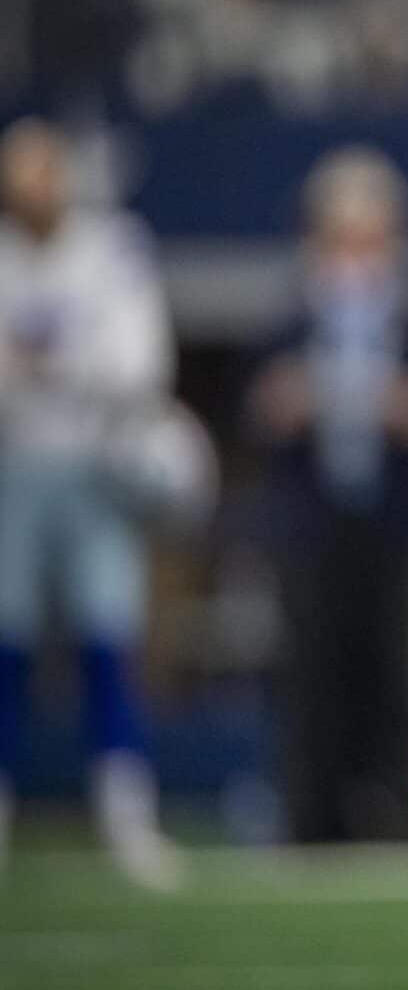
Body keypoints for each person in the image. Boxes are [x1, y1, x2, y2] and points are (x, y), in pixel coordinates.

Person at [246, 147, 408, 844]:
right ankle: (312, 820)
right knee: (311, 672)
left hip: (390, 520)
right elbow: (260, 406)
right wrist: (291, 401)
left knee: (393, 670)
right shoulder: (291, 315)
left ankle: (394, 813)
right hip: (313, 521)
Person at [0, 118, 182, 888]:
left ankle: (125, 814)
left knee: (109, 639)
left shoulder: (111, 248)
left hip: (97, 465)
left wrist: (51, 364)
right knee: (6, 646)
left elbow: (140, 364)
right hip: (13, 467)